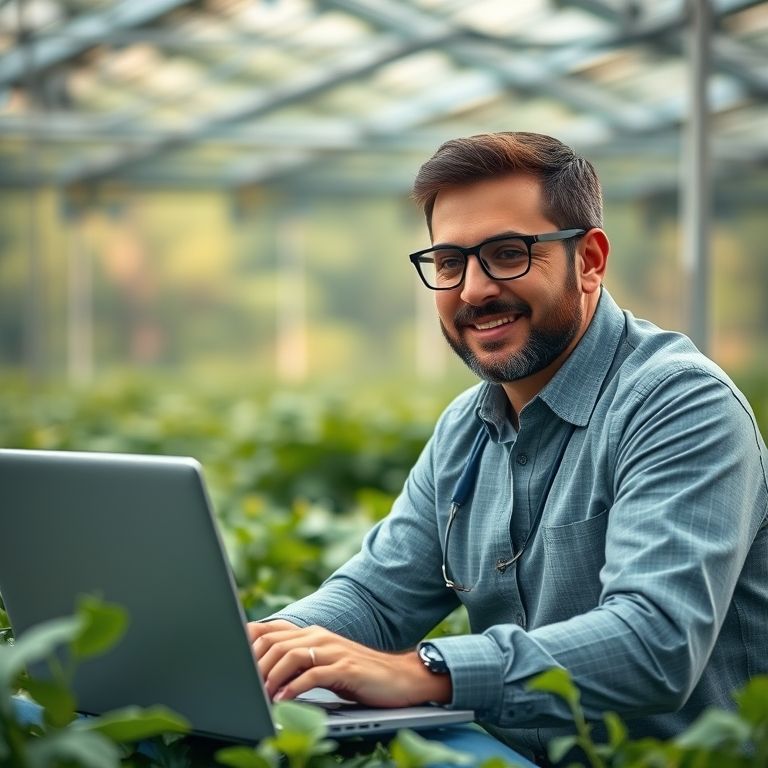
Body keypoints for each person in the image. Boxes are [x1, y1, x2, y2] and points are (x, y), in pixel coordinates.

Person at [248, 132, 768, 765]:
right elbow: (377, 596)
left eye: (506, 253)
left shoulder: (680, 405)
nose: (472, 289)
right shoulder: (467, 427)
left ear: (590, 260)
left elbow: (656, 641)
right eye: (449, 262)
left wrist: (426, 673)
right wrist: (269, 646)